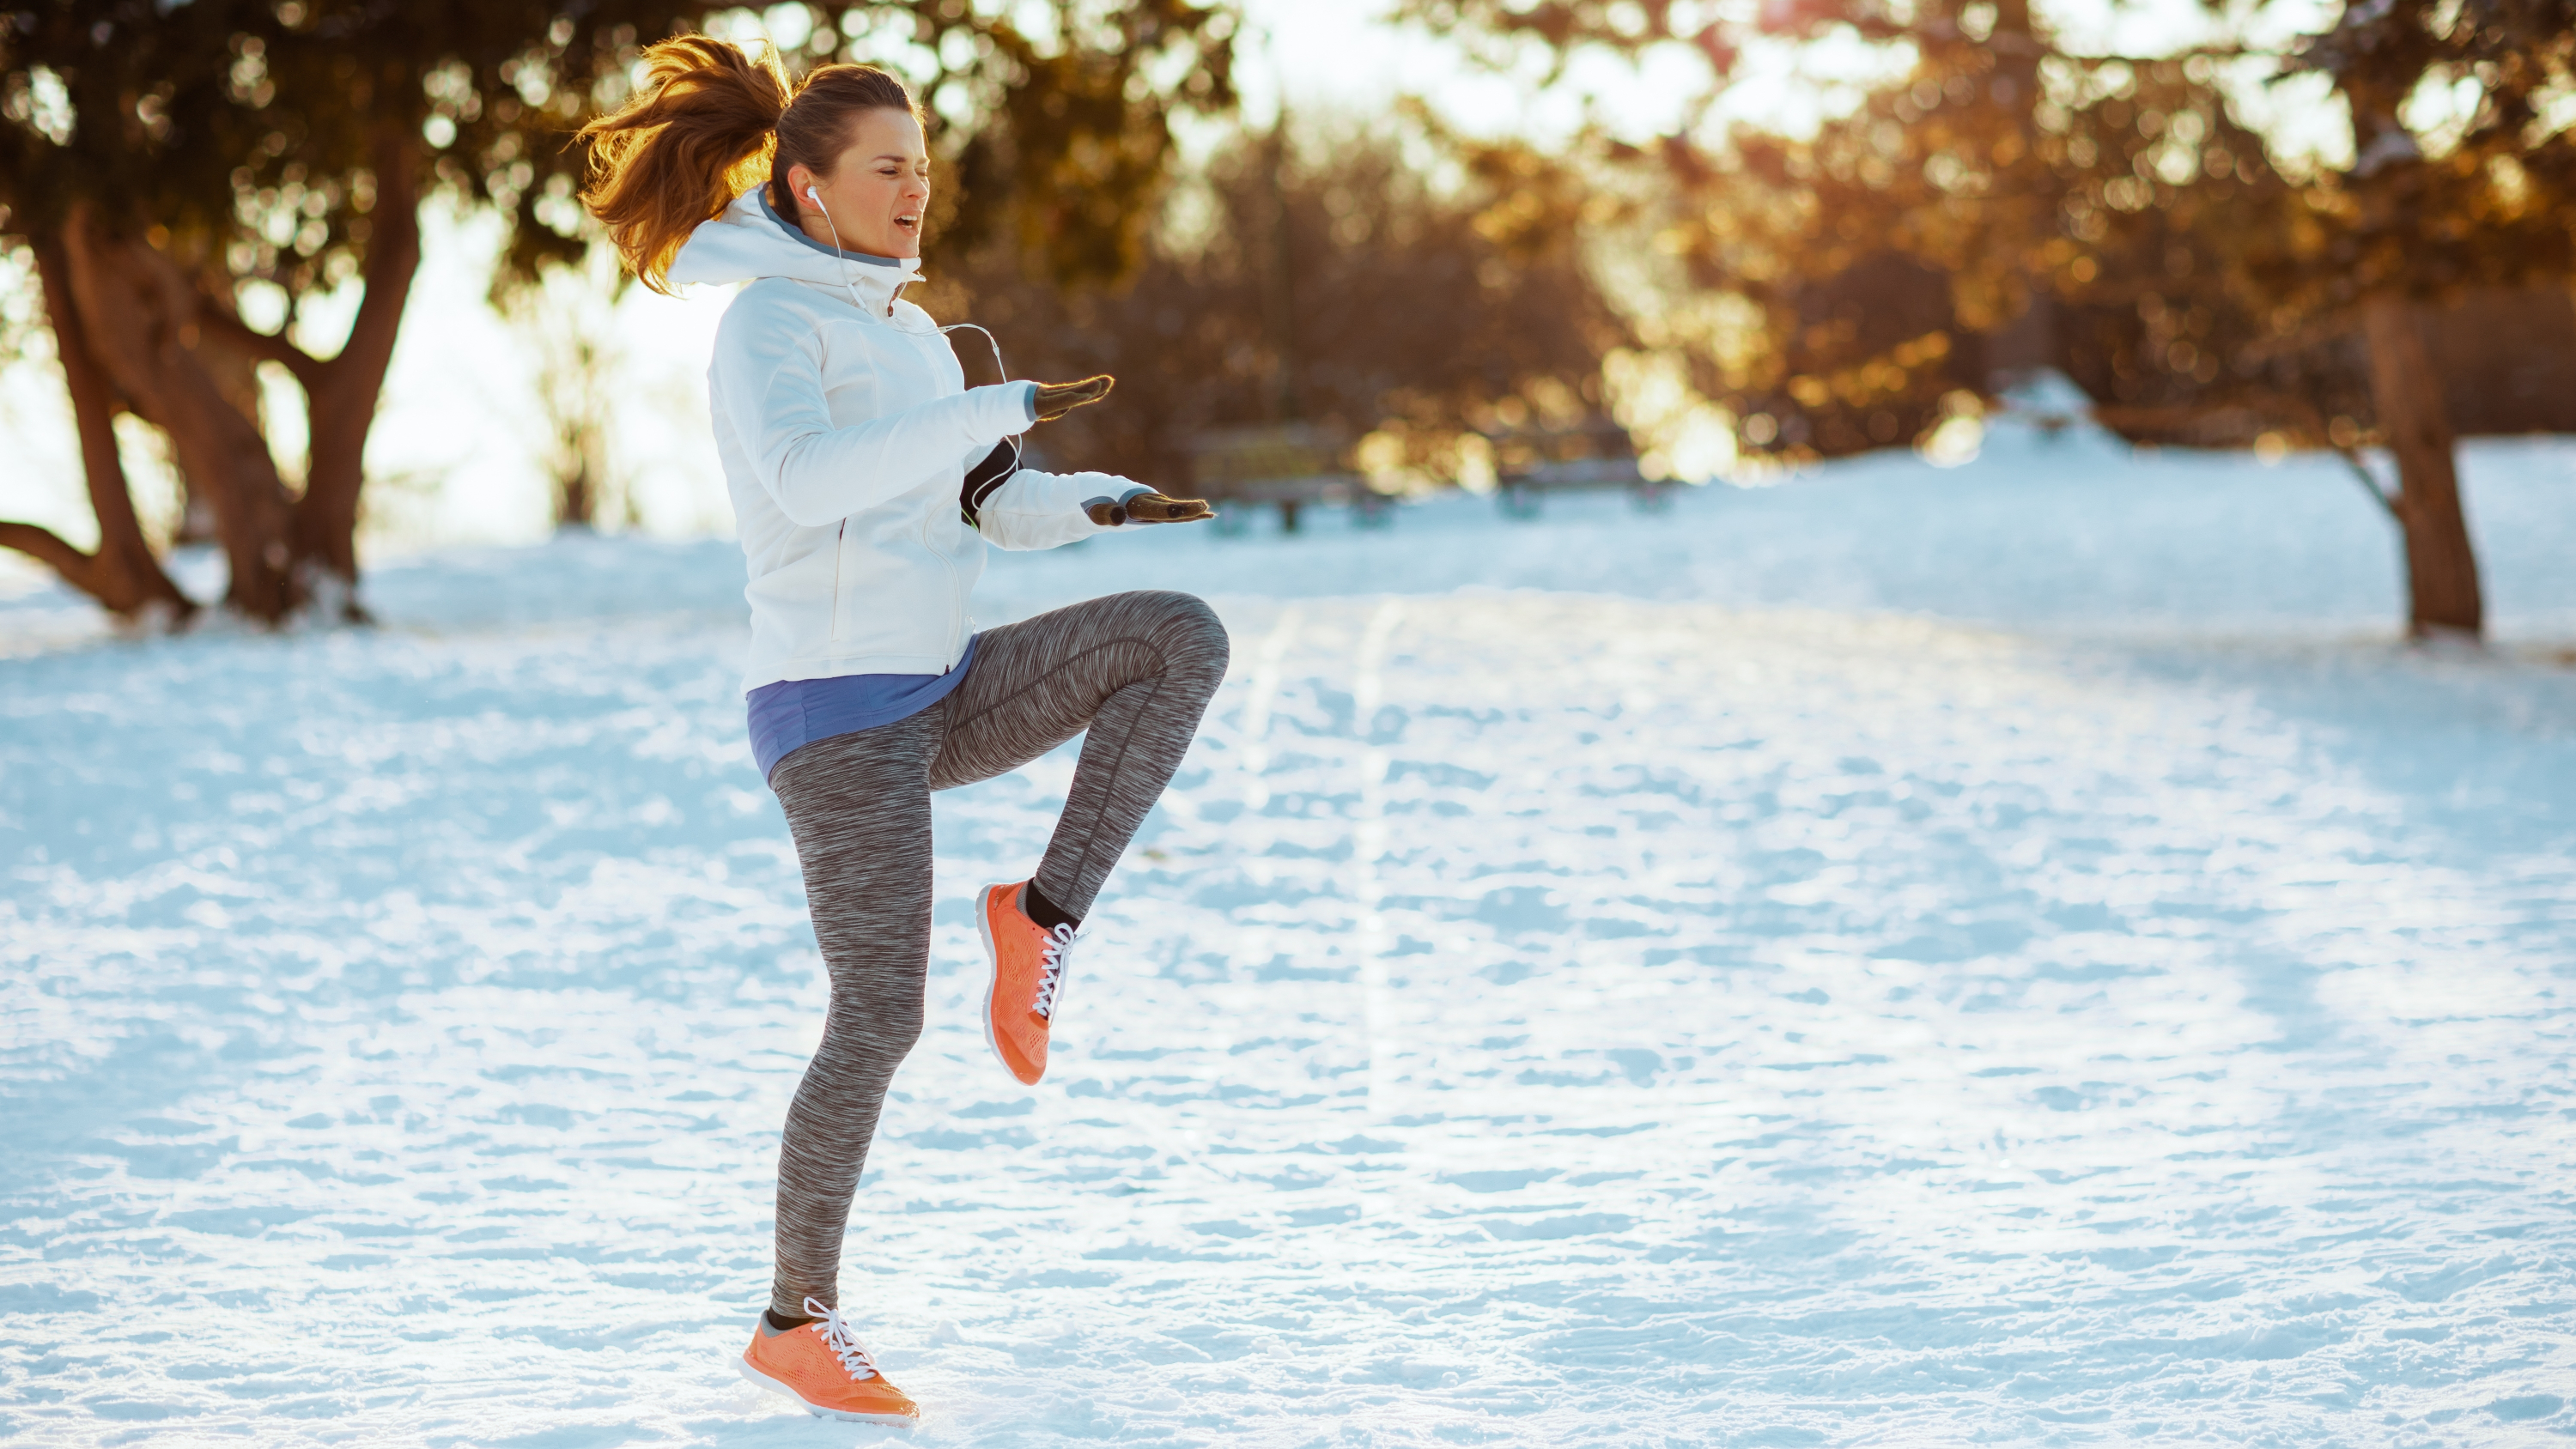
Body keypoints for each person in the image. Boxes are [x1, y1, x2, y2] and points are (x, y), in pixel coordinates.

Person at [578, 36, 1229, 1426]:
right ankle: (792, 1321)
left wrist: (1098, 500)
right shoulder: (769, 327)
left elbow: (983, 503)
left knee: (1178, 634)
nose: (914, 192)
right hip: (830, 711)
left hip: (941, 680)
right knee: (879, 1015)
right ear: (806, 187)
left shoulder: (918, 335)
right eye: (887, 170)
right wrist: (988, 409)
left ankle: (1038, 917)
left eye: (924, 169)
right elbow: (811, 485)